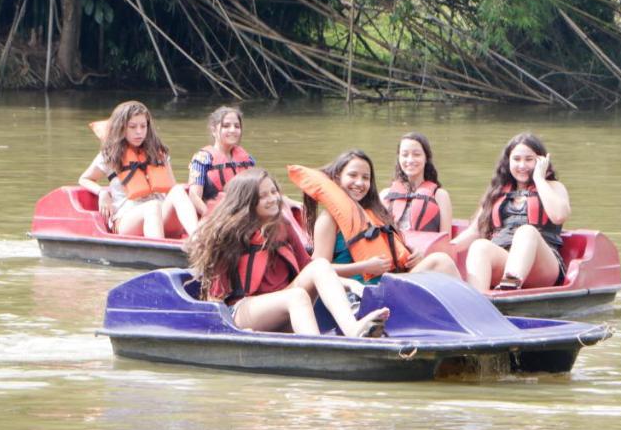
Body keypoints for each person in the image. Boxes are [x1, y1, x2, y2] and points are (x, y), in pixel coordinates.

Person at [185, 170, 390, 337]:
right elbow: (214, 295)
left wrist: (351, 284)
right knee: (297, 296)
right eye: (263, 196)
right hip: (241, 311)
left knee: (319, 266)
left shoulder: (282, 227)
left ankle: (353, 329)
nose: (273, 199)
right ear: (247, 201)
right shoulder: (230, 235)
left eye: (274, 192)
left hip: (284, 305)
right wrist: (228, 331)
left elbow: (309, 268)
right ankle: (317, 349)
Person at [300, 149, 461, 284]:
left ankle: (473, 312)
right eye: (353, 175)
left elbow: (392, 246)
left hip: (391, 281)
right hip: (361, 291)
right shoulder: (328, 220)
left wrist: (414, 254)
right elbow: (317, 269)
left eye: (365, 177)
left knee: (441, 261)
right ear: (337, 178)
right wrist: (364, 267)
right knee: (441, 262)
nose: (360, 183)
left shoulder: (375, 212)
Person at [452, 132, 569, 292]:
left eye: (529, 159)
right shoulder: (497, 192)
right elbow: (474, 231)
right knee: (479, 246)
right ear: (508, 162)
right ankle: (478, 302)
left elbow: (559, 216)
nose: (522, 165)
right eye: (516, 159)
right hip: (504, 257)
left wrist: (539, 179)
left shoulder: (553, 187)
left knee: (526, 231)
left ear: (541, 161)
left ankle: (511, 285)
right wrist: (445, 248)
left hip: (542, 265)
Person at [76, 100, 199, 239]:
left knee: (177, 191)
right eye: (132, 127)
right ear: (121, 128)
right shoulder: (110, 155)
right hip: (127, 220)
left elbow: (171, 188)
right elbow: (84, 179)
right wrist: (102, 192)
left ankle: (197, 239)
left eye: (143, 126)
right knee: (152, 207)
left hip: (162, 216)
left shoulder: (159, 153)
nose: (139, 132)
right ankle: (159, 252)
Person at [187, 105, 256, 217]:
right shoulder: (202, 159)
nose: (233, 130)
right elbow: (194, 196)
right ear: (214, 130)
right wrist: (211, 217)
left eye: (237, 126)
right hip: (215, 216)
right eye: (226, 126)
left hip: (243, 214)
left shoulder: (248, 160)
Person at [380, 132, 453, 233]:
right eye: (405, 155)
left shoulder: (440, 196)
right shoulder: (385, 195)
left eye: (416, 154)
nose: (410, 160)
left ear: (426, 158)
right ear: (399, 158)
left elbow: (445, 239)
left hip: (426, 248)